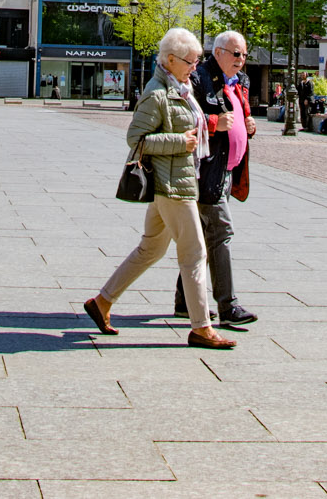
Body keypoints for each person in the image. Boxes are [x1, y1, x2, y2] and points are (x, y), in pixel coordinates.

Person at [83, 29, 236, 350]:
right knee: (195, 254)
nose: (195, 67)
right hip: (172, 186)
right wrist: (179, 142)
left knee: (150, 249)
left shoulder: (180, 88)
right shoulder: (157, 93)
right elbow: (135, 139)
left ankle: (102, 302)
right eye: (190, 61)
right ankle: (201, 328)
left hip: (178, 179)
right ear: (170, 60)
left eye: (197, 61)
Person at [173, 31, 259, 327]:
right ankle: (228, 306)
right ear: (218, 52)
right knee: (221, 233)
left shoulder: (240, 81)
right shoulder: (199, 78)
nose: (241, 60)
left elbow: (239, 115)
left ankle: (185, 301)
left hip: (227, 171)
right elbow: (184, 119)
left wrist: (248, 125)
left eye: (244, 54)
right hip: (206, 171)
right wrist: (214, 123)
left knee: (202, 238)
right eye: (236, 54)